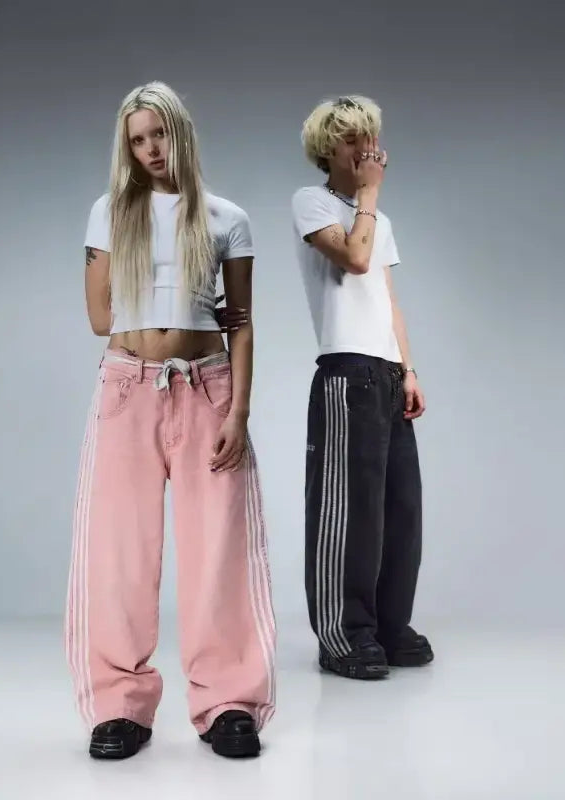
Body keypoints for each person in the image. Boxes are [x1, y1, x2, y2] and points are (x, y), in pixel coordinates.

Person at [65, 81, 276, 760]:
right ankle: (119, 707)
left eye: (158, 134)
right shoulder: (110, 212)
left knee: (218, 549)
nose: (149, 150)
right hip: (128, 388)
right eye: (136, 140)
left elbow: (240, 322)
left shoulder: (226, 218)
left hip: (208, 389)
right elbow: (101, 319)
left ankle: (228, 704)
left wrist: (238, 411)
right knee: (119, 550)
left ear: (180, 132)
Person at [291, 95, 434, 680]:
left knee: (400, 508)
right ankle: (344, 636)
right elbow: (354, 259)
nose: (365, 148)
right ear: (329, 148)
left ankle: (390, 626)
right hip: (345, 373)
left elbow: (387, 298)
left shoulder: (383, 222)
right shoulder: (311, 202)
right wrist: (369, 196)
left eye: (369, 136)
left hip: (385, 372)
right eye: (352, 138)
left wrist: (410, 368)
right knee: (346, 511)